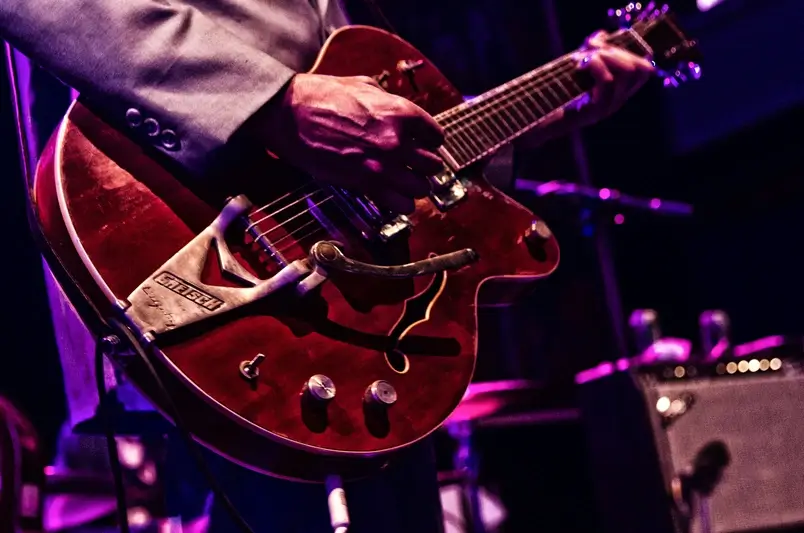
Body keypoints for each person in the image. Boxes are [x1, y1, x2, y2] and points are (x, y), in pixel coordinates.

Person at [0, 1, 655, 531]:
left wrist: (530, 117)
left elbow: (354, 88)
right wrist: (272, 103)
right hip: (187, 231)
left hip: (363, 296)